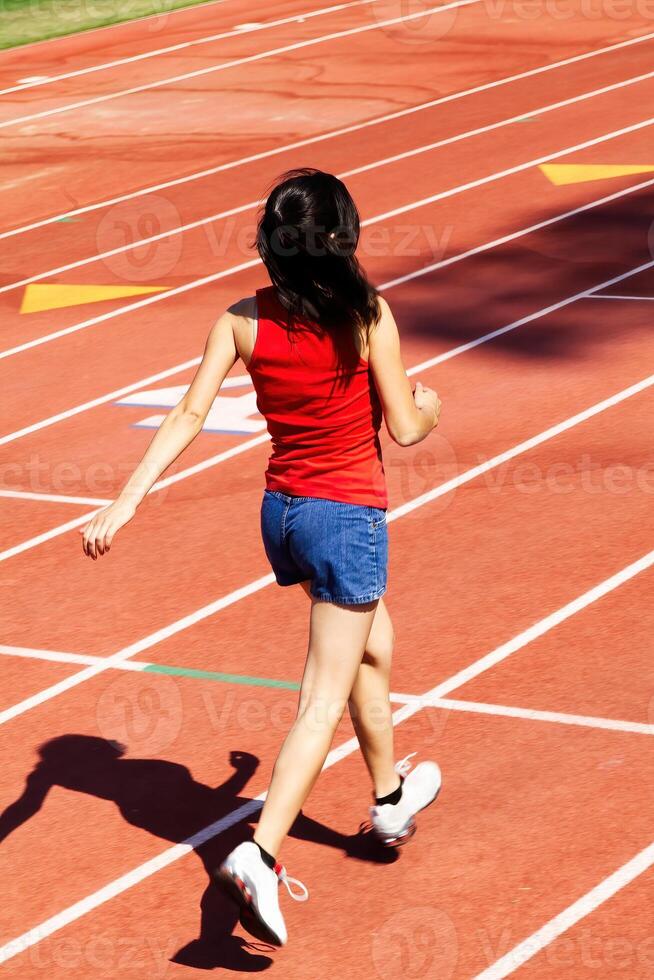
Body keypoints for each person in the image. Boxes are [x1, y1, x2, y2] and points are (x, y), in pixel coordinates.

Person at [81, 168, 442, 948]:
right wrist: (433, 404)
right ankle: (259, 855)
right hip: (347, 518)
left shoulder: (240, 321)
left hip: (283, 516)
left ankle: (388, 799)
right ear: (342, 242)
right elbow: (408, 429)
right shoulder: (369, 316)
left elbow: (186, 413)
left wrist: (126, 500)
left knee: (373, 647)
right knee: (321, 698)